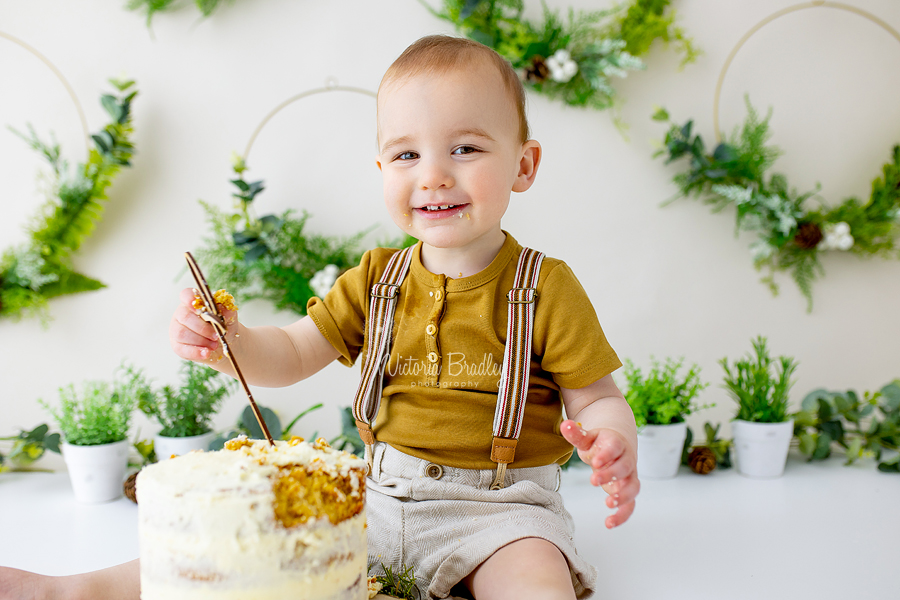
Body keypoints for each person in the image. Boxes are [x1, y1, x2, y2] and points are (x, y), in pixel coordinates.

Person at [0, 34, 638, 600]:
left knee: (531, 582)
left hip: (502, 512)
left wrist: (611, 438)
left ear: (523, 164)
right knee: (234, 548)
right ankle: (76, 590)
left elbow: (598, 397)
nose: (435, 176)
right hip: (379, 498)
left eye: (465, 148)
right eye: (407, 155)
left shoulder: (544, 287)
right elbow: (293, 352)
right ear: (383, 168)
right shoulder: (376, 281)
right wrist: (234, 342)